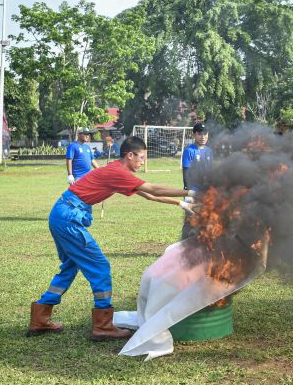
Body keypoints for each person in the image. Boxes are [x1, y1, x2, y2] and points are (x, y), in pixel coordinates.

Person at [27, 136, 196, 340]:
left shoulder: (117, 171)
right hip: (69, 218)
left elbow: (150, 196)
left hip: (62, 214)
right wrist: (190, 192)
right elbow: (153, 188)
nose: (143, 162)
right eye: (141, 157)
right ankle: (103, 326)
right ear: (130, 155)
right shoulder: (117, 172)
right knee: (100, 267)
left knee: (71, 266)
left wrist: (181, 204)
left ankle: (40, 318)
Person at [181, 123, 214, 239]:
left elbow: (210, 172)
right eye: (200, 134)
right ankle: (183, 244)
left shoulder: (209, 151)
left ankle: (202, 244)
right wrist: (188, 192)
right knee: (190, 220)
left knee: (206, 218)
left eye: (205, 134)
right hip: (193, 191)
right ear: (194, 135)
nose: (203, 136)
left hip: (206, 191)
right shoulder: (189, 151)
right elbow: (186, 172)